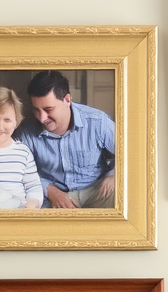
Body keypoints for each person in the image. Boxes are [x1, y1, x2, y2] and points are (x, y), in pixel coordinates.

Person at [15, 70, 115, 208]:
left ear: (67, 100)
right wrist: (50, 190)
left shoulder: (98, 122)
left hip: (95, 191)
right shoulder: (26, 131)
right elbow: (19, 170)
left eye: (48, 109)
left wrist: (114, 175)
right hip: (50, 197)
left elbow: (131, 152)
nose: (42, 118)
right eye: (36, 110)